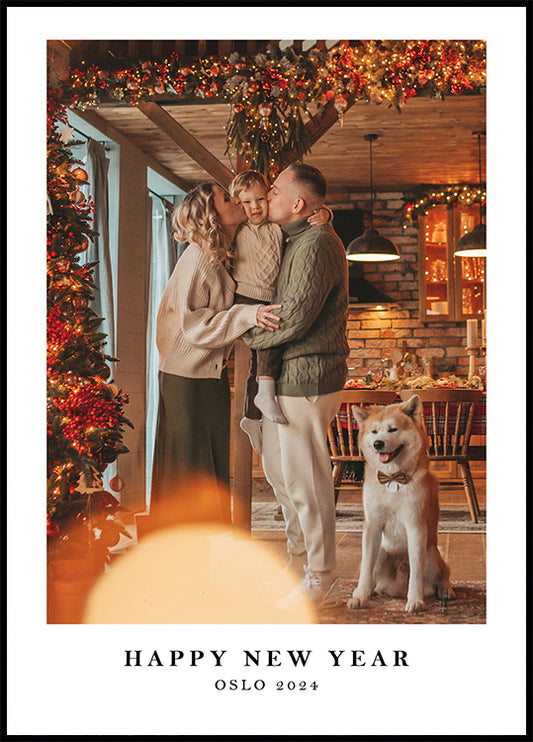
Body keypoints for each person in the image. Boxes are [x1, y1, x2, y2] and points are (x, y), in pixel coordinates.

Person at [244, 162, 349, 610]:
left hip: (308, 376)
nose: (267, 195)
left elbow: (295, 316)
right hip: (289, 375)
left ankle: (321, 577)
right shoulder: (296, 239)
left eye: (275, 189)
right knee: (286, 482)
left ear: (299, 203)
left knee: (307, 483)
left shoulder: (316, 245)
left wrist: (244, 330)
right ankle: (299, 566)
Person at [150, 182, 282, 522]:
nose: (236, 200)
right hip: (185, 378)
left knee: (206, 467)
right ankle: (180, 554)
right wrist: (248, 314)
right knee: (188, 471)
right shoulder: (199, 258)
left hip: (205, 375)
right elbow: (195, 326)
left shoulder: (221, 251)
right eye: (227, 198)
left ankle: (198, 553)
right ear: (213, 215)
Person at [229, 169, 332, 454]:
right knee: (270, 344)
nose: (256, 207)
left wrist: (326, 215)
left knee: (258, 359)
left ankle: (252, 416)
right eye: (246, 203)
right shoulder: (238, 229)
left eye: (263, 198)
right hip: (245, 296)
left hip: (268, 296)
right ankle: (264, 395)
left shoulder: (277, 227)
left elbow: (305, 214)